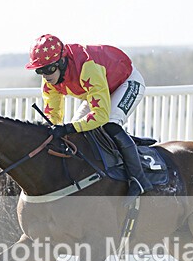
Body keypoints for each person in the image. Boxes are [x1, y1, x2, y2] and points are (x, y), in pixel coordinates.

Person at [25, 34, 152, 206]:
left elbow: (100, 115)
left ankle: (139, 180)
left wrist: (68, 127)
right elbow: (53, 116)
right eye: (40, 70)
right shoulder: (49, 81)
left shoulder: (87, 67)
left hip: (126, 82)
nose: (45, 76)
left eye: (48, 69)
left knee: (110, 124)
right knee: (75, 135)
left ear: (62, 62)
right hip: (97, 90)